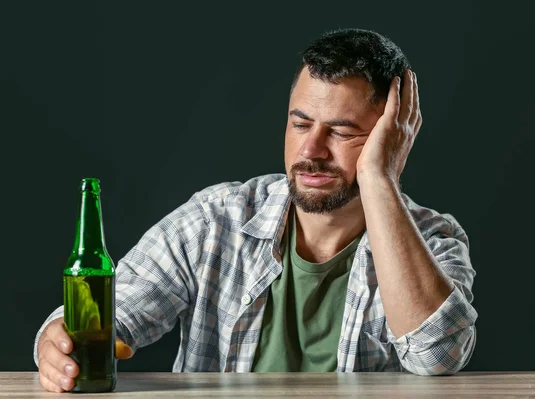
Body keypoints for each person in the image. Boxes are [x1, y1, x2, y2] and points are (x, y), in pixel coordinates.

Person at [34, 28, 477, 392]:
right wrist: (57, 342)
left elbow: (438, 356)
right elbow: (108, 315)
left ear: (393, 135)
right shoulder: (215, 219)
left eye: (341, 133)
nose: (310, 150)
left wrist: (380, 179)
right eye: (300, 123)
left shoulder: (434, 239)